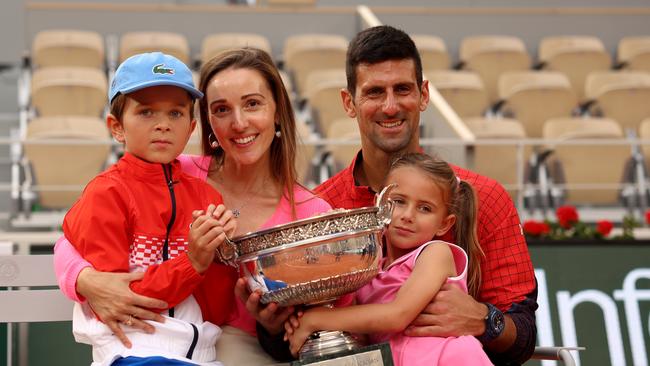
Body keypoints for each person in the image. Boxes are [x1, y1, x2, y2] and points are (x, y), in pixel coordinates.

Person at [249, 25, 538, 365]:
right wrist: (272, 326)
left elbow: (524, 336)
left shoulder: (484, 196)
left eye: (402, 89)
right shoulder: (320, 208)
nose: (390, 107)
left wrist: (484, 320)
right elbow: (293, 341)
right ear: (349, 102)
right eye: (374, 92)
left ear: (424, 95)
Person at [53, 48, 331, 365]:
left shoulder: (311, 211)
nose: (239, 123)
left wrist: (269, 321)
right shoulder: (170, 168)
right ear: (207, 122)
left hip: (237, 346)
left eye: (252, 104)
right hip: (144, 341)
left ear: (278, 110)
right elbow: (73, 237)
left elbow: (316, 325)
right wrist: (85, 280)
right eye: (222, 109)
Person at [62, 51, 237, 365]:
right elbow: (121, 302)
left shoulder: (207, 197)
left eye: (175, 114)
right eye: (146, 113)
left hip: (201, 356)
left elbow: (217, 311)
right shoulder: (105, 193)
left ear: (192, 126)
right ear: (117, 127)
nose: (163, 125)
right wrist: (193, 261)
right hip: (131, 351)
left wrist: (222, 258)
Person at [285, 152, 493, 365]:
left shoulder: (436, 254)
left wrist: (316, 320)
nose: (408, 215)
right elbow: (364, 333)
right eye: (399, 201)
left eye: (425, 208)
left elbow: (398, 315)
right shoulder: (369, 270)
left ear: (444, 224)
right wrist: (308, 330)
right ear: (380, 204)